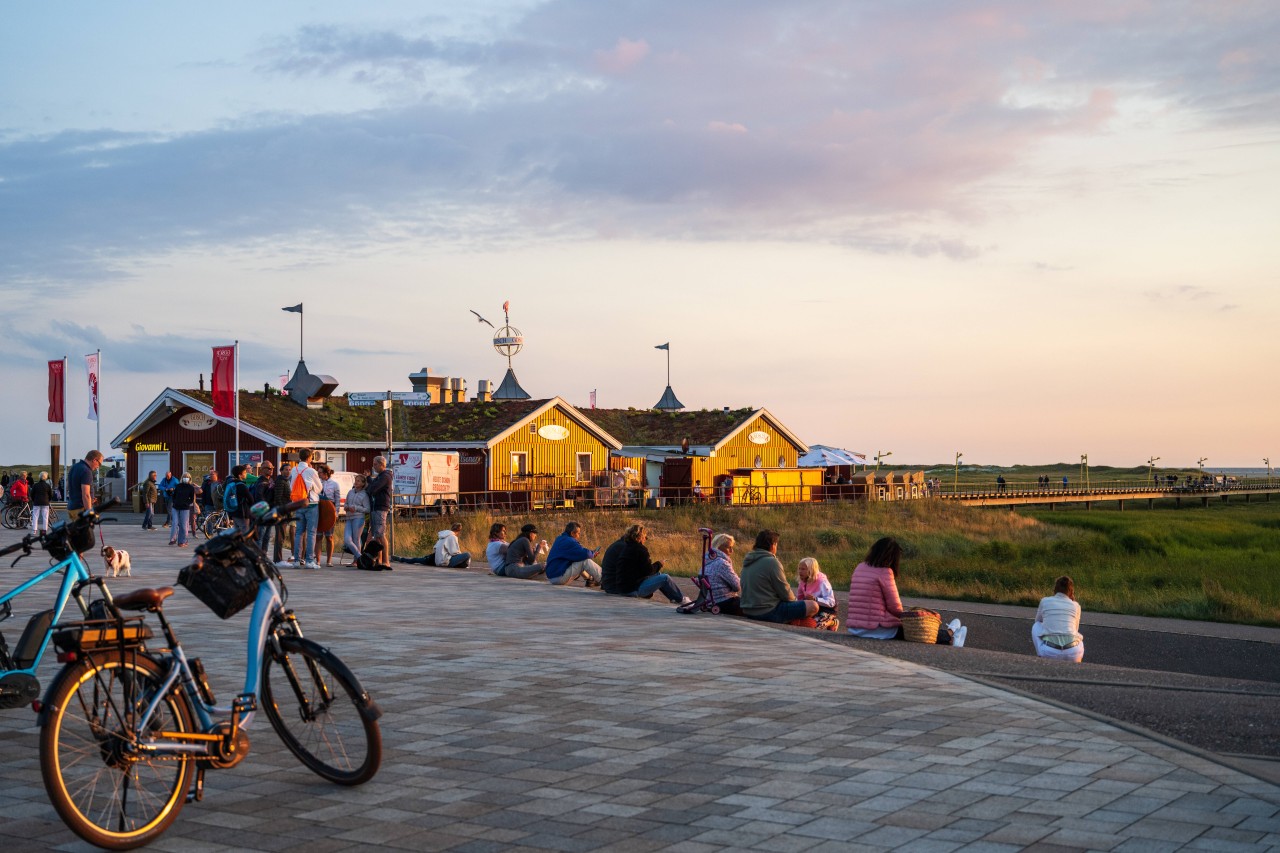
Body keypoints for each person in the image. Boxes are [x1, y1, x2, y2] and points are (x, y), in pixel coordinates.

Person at [740, 530, 818, 623]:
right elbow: (785, 593)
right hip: (767, 611)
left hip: (748, 611)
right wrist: (797, 603)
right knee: (813, 606)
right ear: (773, 545)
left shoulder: (748, 560)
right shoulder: (772, 562)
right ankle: (798, 622)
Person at [608, 523, 690, 604]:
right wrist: (659, 564)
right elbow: (648, 571)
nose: (646, 538)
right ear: (640, 536)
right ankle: (681, 600)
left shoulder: (626, 548)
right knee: (665, 578)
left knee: (658, 575)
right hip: (633, 590)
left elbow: (638, 570)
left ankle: (674, 598)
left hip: (623, 588)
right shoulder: (640, 549)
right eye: (645, 536)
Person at [846, 537, 910, 639]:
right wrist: (906, 616)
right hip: (877, 628)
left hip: (855, 628)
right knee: (927, 634)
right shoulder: (885, 572)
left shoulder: (859, 567)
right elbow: (895, 607)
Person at [1032, 576, 1084, 662]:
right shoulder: (1076, 606)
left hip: (1049, 652)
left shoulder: (1044, 601)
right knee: (1077, 636)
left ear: (1055, 589)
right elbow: (1075, 629)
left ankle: (1041, 655)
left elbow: (1038, 620)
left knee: (1036, 625)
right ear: (1071, 591)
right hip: (1073, 653)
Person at [290, 449, 323, 569]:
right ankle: (309, 560)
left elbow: (291, 486)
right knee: (311, 532)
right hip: (311, 503)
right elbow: (319, 488)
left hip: (298, 503)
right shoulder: (311, 471)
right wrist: (311, 486)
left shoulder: (294, 469)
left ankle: (297, 560)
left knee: (299, 532)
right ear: (309, 457)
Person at [545, 521, 602, 586]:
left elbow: (578, 554)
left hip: (552, 577)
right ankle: (605, 580)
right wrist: (593, 553)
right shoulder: (570, 541)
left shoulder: (559, 539)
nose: (579, 536)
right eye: (578, 533)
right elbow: (586, 554)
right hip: (559, 578)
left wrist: (590, 553)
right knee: (585, 561)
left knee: (578, 559)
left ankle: (590, 580)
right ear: (572, 533)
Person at [699, 533, 742, 615]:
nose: (731, 551)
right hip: (724, 601)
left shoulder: (707, 561)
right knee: (753, 606)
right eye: (729, 547)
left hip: (710, 601)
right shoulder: (722, 563)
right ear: (719, 547)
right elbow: (737, 586)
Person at [365, 456, 392, 568]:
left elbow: (373, 489)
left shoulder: (385, 476)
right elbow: (373, 485)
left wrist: (369, 485)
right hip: (375, 507)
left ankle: (386, 561)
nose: (373, 466)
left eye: (375, 464)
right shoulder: (380, 476)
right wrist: (368, 478)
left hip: (380, 507)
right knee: (376, 535)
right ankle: (379, 560)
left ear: (382, 464)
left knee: (381, 534)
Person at [66, 450, 103, 520]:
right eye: (99, 464)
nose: (98, 467)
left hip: (72, 507)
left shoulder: (74, 467)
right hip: (80, 509)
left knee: (75, 530)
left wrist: (90, 499)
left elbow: (68, 486)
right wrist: (89, 513)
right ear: (94, 460)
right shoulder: (86, 471)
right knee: (85, 530)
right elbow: (86, 495)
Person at [270, 462, 295, 563]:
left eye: (289, 470)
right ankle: (278, 560)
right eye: (286, 470)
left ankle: (278, 559)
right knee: (280, 537)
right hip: (281, 513)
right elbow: (278, 498)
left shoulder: (286, 481)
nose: (288, 472)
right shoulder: (280, 481)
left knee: (281, 536)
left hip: (284, 512)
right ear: (281, 471)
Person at [342, 473, 370, 561]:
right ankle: (360, 557)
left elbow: (367, 509)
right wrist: (346, 507)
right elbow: (346, 503)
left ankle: (356, 560)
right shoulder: (350, 492)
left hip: (358, 518)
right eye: (355, 480)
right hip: (349, 518)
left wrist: (356, 508)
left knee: (356, 539)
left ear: (363, 483)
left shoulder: (364, 494)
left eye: (358, 481)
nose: (356, 482)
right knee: (347, 539)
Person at [317, 465, 340, 566]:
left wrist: (337, 513)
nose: (318, 474)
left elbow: (338, 500)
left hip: (330, 510)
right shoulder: (317, 483)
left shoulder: (335, 484)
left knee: (329, 537)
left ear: (326, 473)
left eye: (320, 473)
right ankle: (317, 560)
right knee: (318, 537)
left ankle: (329, 560)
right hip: (319, 509)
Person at [169, 473, 197, 547]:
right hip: (175, 507)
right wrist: (175, 502)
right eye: (184, 477)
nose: (186, 478)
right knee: (174, 523)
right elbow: (173, 496)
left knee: (184, 526)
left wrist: (187, 503)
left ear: (190, 478)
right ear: (182, 478)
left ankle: (182, 541)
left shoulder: (191, 488)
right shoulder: (178, 486)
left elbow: (191, 499)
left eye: (187, 477)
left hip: (185, 508)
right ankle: (173, 539)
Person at [224, 465, 253, 534]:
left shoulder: (231, 483)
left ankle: (237, 544)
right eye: (245, 472)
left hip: (234, 511)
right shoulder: (242, 486)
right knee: (245, 532)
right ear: (240, 475)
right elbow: (251, 499)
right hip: (242, 512)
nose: (246, 474)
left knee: (236, 532)